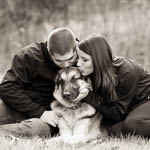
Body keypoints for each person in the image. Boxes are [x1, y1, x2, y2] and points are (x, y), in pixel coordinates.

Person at [0, 27, 79, 137]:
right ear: (48, 50)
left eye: (70, 59)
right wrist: (40, 113)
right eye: (59, 61)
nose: (66, 65)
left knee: (36, 130)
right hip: (22, 107)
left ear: (76, 48)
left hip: (50, 120)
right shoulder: (29, 56)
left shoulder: (85, 56)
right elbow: (6, 87)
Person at [75, 34, 150, 138]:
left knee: (132, 125)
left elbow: (116, 113)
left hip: (146, 100)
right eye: (78, 58)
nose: (78, 64)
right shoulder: (92, 72)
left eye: (84, 60)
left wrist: (88, 96)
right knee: (112, 131)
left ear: (98, 59)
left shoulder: (126, 72)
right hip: (129, 108)